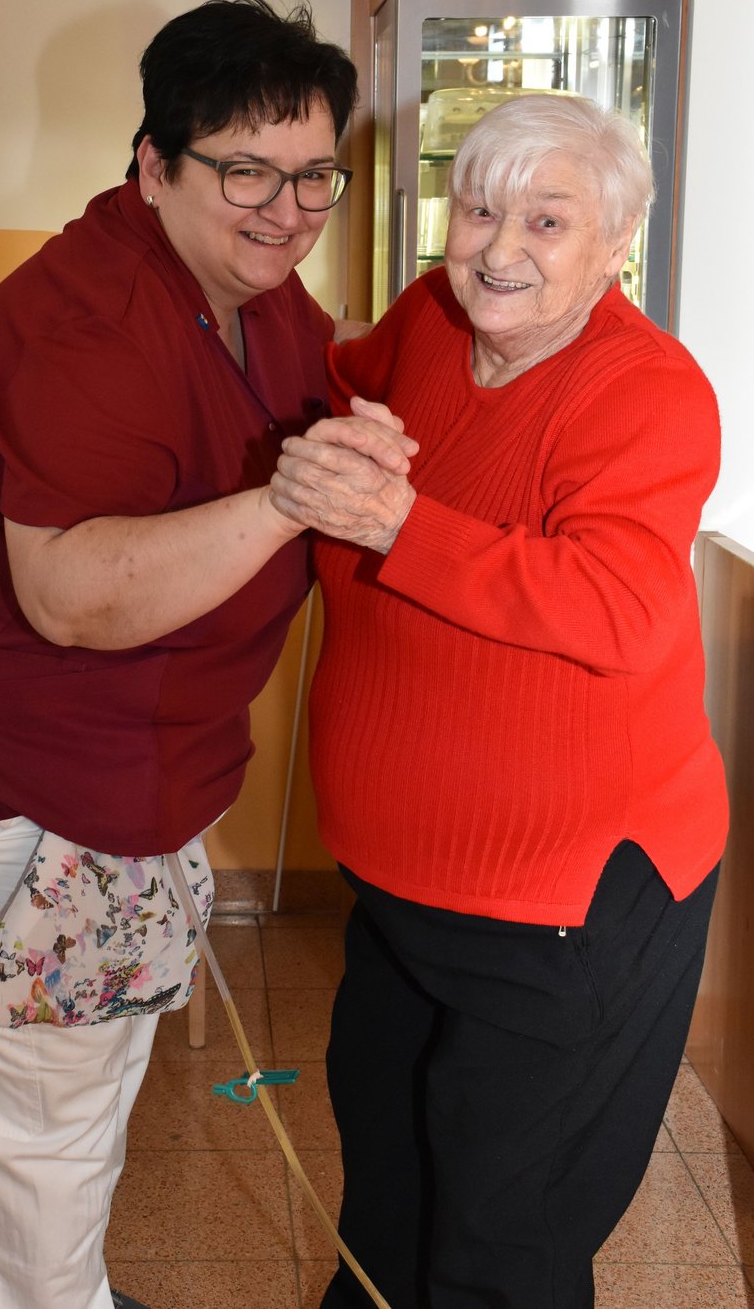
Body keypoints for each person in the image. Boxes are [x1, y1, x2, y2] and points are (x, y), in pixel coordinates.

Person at [0, 0, 357, 1309]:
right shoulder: (82, 322)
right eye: (245, 170)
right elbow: (65, 594)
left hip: (119, 777)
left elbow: (326, 379)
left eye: (313, 174)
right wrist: (289, 500)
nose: (286, 208)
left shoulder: (253, 293)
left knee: (77, 1084)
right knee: (28, 1126)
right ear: (153, 162)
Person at [270, 93, 729, 1309]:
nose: (498, 248)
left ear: (615, 243)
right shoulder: (428, 320)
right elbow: (330, 376)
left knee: (496, 1241)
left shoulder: (642, 392)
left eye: (545, 218)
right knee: (386, 1190)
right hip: (401, 889)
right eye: (477, 209)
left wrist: (398, 525)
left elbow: (617, 609)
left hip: (560, 903)